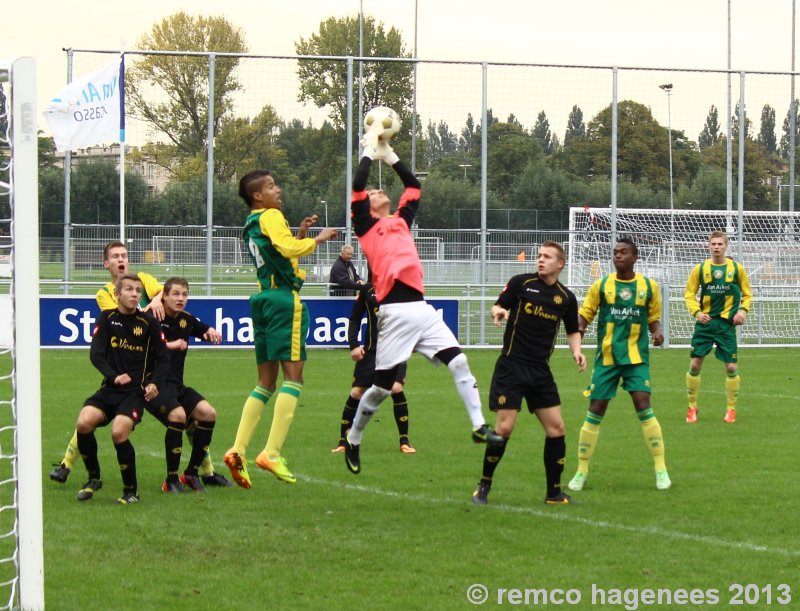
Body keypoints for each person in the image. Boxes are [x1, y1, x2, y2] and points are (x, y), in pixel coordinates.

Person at [342, 130, 500, 475]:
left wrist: (390, 154)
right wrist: (369, 152)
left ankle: (478, 426)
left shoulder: (400, 222)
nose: (377, 191)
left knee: (459, 362)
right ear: (366, 207)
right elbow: (356, 186)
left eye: (378, 189)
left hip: (422, 308)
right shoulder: (366, 229)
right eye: (373, 192)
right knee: (382, 389)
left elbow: (413, 186)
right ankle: (354, 439)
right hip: (395, 313)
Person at [49, 241, 230, 487]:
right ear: (107, 264)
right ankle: (67, 464)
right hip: (126, 370)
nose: (121, 259)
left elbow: (162, 292)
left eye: (124, 255)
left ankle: (203, 472)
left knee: (188, 418)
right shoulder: (105, 294)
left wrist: (157, 300)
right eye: (115, 256)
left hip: (156, 372)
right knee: (92, 417)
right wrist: (152, 312)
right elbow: (127, 328)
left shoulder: (143, 279)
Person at [224, 169, 337, 488]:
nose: (278, 190)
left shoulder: (252, 223)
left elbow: (279, 253)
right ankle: (271, 453)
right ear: (257, 196)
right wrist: (317, 240)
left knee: (265, 382)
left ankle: (238, 449)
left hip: (262, 299)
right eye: (272, 186)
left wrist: (298, 234)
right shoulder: (271, 215)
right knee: (294, 377)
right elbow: (287, 251)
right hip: (284, 301)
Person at [471, 241, 586, 506]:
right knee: (504, 428)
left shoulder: (566, 298)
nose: (541, 260)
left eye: (547, 257)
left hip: (540, 372)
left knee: (556, 428)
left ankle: (554, 493)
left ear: (560, 263)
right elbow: (498, 305)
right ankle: (484, 485)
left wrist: (576, 351)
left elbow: (571, 330)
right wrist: (498, 310)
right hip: (511, 366)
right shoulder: (521, 283)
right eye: (539, 256)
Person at [566, 237, 671, 492]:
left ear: (635, 257)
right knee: (596, 408)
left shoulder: (649, 286)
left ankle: (661, 469)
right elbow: (584, 317)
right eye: (615, 253)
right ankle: (581, 470)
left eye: (623, 252)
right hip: (607, 359)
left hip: (636, 359)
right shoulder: (601, 286)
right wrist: (577, 333)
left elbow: (653, 319)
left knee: (643, 404)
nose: (618, 256)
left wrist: (657, 332)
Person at [73, 273, 170, 504]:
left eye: (138, 290)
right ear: (117, 294)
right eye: (129, 289)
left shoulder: (149, 322)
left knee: (118, 432)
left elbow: (163, 358)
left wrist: (155, 383)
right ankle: (94, 478)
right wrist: (114, 377)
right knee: (83, 422)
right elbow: (96, 354)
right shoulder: (106, 318)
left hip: (135, 393)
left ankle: (130, 491)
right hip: (110, 389)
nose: (135, 294)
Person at [152, 277, 226, 493]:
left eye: (184, 294)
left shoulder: (186, 319)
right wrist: (171, 345)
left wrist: (211, 332)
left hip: (176, 385)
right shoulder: (152, 317)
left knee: (208, 413)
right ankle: (171, 480)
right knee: (178, 416)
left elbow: (203, 329)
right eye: (175, 294)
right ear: (164, 296)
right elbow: (145, 346)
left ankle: (191, 473)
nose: (180, 298)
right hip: (152, 386)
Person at [331, 281, 415, 455]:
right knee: (356, 393)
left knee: (396, 388)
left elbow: (415, 318)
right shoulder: (367, 289)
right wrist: (353, 344)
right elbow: (354, 318)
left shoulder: (403, 286)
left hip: (396, 349)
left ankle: (404, 441)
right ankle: (343, 441)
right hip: (371, 350)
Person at [684, 231, 751, 424]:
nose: (716, 247)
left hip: (726, 325)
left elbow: (747, 294)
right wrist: (697, 312)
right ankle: (692, 407)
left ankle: (731, 410)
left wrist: (743, 312)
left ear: (726, 246)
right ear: (708, 245)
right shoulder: (701, 269)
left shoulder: (737, 269)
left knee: (731, 367)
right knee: (696, 365)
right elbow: (689, 294)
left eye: (720, 244)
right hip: (705, 324)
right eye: (713, 243)